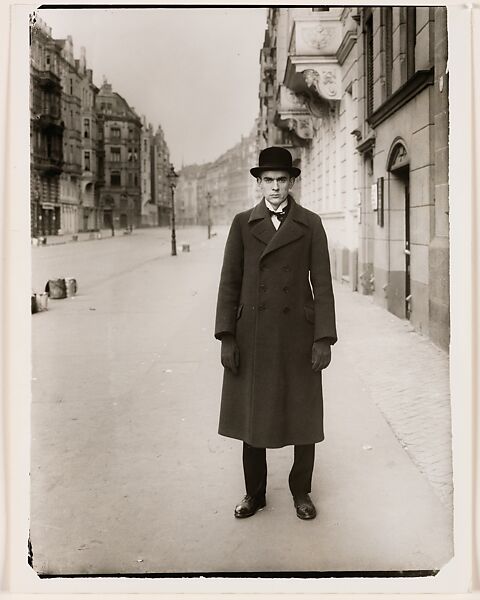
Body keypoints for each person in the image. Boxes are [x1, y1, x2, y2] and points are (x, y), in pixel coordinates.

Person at [214, 146, 337, 520]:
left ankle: (301, 491)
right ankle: (255, 494)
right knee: (253, 417)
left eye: (282, 180)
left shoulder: (311, 223)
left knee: (303, 416)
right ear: (258, 182)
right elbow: (229, 282)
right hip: (253, 335)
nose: (274, 187)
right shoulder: (241, 223)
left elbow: (324, 285)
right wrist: (227, 336)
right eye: (267, 180)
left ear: (292, 182)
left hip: (297, 335)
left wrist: (323, 338)